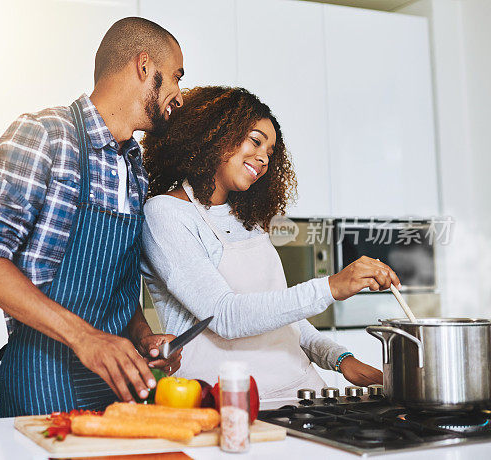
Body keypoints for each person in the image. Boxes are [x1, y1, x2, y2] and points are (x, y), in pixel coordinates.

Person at [0, 17, 185, 416]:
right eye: (175, 78)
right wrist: (86, 339)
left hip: (116, 386)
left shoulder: (135, 169)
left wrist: (143, 337)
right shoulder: (44, 134)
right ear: (144, 66)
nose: (179, 95)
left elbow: (114, 283)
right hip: (40, 383)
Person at [140, 86, 393, 399]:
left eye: (270, 154)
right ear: (215, 133)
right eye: (255, 141)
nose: (262, 159)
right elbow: (225, 316)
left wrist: (340, 359)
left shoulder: (247, 219)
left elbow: (282, 318)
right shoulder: (165, 213)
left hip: (301, 391)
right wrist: (331, 287)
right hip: (224, 397)